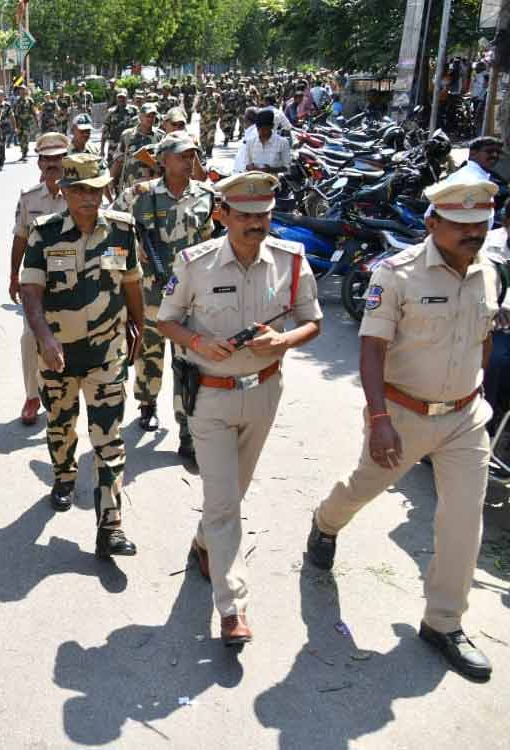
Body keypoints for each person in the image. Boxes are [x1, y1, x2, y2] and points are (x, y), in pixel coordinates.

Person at [307, 177, 500, 680]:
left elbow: (482, 340)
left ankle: (443, 622)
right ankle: (326, 522)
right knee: (362, 487)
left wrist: (478, 396)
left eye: (481, 223)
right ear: (433, 223)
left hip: (464, 418)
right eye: (462, 224)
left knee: (462, 518)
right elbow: (371, 349)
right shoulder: (396, 274)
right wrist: (379, 420)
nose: (473, 233)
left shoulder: (490, 272)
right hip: (404, 415)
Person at [156, 171, 322, 647]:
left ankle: (204, 543)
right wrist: (198, 341)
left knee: (233, 491)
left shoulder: (291, 261)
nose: (256, 223)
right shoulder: (195, 262)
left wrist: (284, 339)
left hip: (265, 392)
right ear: (221, 214)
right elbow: (166, 320)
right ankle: (233, 607)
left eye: (264, 214)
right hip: (209, 395)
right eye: (245, 215)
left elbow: (313, 320)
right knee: (226, 499)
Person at [20, 153, 143, 558]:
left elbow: (131, 285)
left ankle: (110, 526)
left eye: (96, 189)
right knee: (61, 427)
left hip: (107, 354)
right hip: (58, 357)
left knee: (109, 441)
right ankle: (63, 474)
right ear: (65, 192)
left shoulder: (123, 232)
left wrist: (138, 330)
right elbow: (31, 295)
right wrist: (44, 338)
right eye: (80, 191)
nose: (89, 198)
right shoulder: (45, 233)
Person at [111, 131, 216, 462]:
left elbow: (211, 242)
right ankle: (147, 403)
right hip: (150, 293)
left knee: (187, 365)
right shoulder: (138, 195)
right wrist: (127, 259)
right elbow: (110, 228)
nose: (190, 161)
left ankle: (188, 431)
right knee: (149, 356)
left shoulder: (205, 195)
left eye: (193, 155)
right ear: (163, 160)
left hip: (191, 298)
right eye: (183, 155)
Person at [9, 133, 70, 426]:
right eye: (46, 159)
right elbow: (21, 237)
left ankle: (66, 392)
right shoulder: (29, 198)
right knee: (29, 337)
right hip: (37, 280)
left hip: (74, 277)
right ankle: (32, 396)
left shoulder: (80, 193)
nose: (52, 164)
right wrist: (13, 274)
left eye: (57, 158)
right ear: (39, 163)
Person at [112, 103, 165, 193]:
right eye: (148, 116)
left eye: (153, 116)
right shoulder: (127, 135)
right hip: (132, 187)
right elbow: (119, 160)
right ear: (140, 117)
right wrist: (112, 181)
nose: (151, 119)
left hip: (154, 186)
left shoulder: (161, 135)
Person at [234, 109, 291, 174]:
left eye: (265, 129)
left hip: (272, 181)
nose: (261, 132)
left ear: (271, 126)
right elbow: (244, 164)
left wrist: (271, 170)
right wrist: (249, 167)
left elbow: (287, 168)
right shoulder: (250, 142)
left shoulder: (282, 142)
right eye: (258, 129)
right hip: (253, 180)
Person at [13, 85, 39, 162]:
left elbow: (33, 111)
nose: (21, 91)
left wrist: (36, 120)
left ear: (25, 90)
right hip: (19, 123)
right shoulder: (17, 101)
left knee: (26, 138)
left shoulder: (29, 100)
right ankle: (23, 153)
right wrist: (15, 125)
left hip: (27, 123)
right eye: (20, 90)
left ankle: (25, 154)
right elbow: (14, 113)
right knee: (20, 139)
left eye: (23, 89)